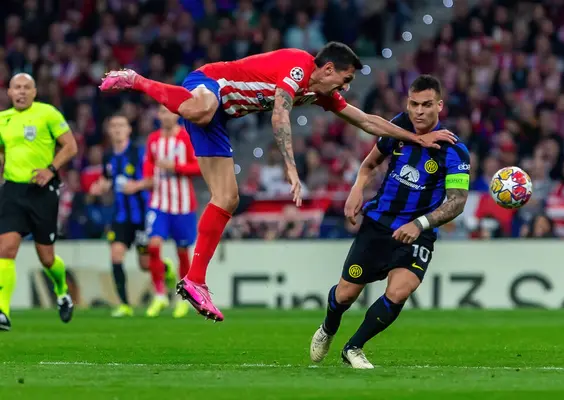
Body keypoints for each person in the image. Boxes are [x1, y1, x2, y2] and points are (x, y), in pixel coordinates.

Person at [100, 42, 456, 322]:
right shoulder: (299, 67)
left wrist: (415, 138)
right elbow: (280, 111)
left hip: (222, 118)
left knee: (226, 199)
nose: (345, 86)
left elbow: (366, 121)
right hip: (209, 86)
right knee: (201, 108)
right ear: (328, 68)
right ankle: (136, 80)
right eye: (344, 79)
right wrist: (291, 167)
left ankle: (195, 280)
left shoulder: (321, 93)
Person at [309, 75, 471, 368]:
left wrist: (420, 224)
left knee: (399, 291)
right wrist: (357, 189)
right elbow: (370, 163)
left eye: (426, 105)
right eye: (413, 104)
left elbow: (458, 201)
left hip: (417, 231)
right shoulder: (397, 129)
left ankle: (353, 347)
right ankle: (328, 328)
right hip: (379, 223)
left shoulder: (454, 150)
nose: (419, 111)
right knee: (345, 294)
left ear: (440, 106)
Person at [0, 73, 78, 331]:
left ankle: (62, 290)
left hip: (42, 191)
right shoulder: (3, 119)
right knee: (6, 248)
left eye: (26, 88)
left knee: (46, 258)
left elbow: (70, 146)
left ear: (34, 92)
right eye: (16, 88)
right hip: (12, 190)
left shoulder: (48, 114)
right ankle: (3, 311)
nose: (21, 92)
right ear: (9, 92)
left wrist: (50, 170)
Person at [90, 113, 175, 317]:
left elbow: (154, 179)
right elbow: (108, 178)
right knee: (116, 254)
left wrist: (135, 186)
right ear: (109, 131)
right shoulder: (109, 156)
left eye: (121, 125)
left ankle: (166, 269)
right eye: (113, 126)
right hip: (120, 217)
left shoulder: (139, 152)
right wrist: (100, 186)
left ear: (129, 129)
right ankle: (125, 304)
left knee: (145, 264)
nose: (117, 129)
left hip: (142, 215)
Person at [124, 106, 201, 318]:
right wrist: (144, 182)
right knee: (153, 245)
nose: (165, 116)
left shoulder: (187, 138)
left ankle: (183, 298)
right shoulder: (153, 139)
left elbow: (199, 167)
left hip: (183, 205)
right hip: (158, 203)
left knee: (182, 252)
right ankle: (159, 296)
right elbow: (149, 164)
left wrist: (175, 166)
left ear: (177, 115)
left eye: (169, 112)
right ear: (158, 115)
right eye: (162, 112)